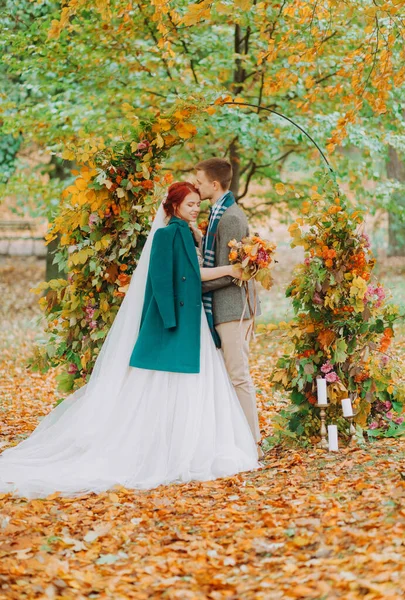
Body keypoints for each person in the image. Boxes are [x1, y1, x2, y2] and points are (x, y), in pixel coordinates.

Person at [0, 181, 259, 500]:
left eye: (197, 204)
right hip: (176, 320)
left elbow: (191, 275)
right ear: (174, 206)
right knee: (163, 383)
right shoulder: (166, 236)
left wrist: (233, 269)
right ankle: (168, 450)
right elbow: (162, 280)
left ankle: (190, 446)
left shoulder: (188, 234)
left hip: (193, 322)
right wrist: (170, 318)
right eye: (190, 204)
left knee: (196, 382)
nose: (196, 209)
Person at [194, 159, 263, 457]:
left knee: (238, 376)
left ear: (214, 184)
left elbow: (235, 272)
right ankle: (238, 439)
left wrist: (196, 285)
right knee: (230, 375)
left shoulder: (231, 217)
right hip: (224, 307)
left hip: (232, 308)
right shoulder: (217, 213)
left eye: (199, 182)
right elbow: (220, 257)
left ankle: (254, 443)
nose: (196, 187)